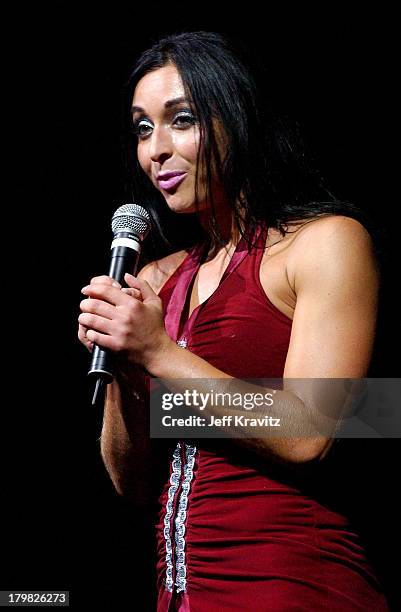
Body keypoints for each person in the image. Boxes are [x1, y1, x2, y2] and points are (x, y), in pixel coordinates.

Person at [78, 32, 388, 611]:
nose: (156, 150)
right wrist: (124, 367)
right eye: (143, 128)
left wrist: (158, 353)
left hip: (290, 584)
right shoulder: (157, 279)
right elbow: (132, 485)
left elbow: (309, 433)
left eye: (182, 119)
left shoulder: (324, 244)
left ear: (237, 120)